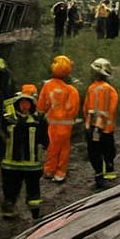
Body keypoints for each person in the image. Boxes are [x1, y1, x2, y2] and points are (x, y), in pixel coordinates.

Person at [0, 88, 48, 221]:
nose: (24, 106)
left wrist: (44, 154)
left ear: (32, 104)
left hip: (32, 166)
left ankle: (35, 215)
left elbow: (45, 140)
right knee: (10, 191)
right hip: (10, 166)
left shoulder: (38, 120)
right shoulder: (7, 121)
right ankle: (8, 215)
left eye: (27, 103)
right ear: (17, 104)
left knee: (33, 193)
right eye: (22, 103)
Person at [39, 55, 80, 183]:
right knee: (64, 148)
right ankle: (60, 171)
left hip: (53, 123)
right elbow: (74, 109)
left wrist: (42, 113)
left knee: (52, 146)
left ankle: (49, 170)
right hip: (66, 124)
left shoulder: (48, 86)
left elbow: (42, 106)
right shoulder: (71, 90)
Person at [83, 58, 120, 189]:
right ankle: (109, 170)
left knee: (95, 151)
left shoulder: (91, 88)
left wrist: (88, 125)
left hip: (94, 129)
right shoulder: (110, 89)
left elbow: (86, 108)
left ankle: (100, 177)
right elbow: (113, 108)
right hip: (106, 129)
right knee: (108, 150)